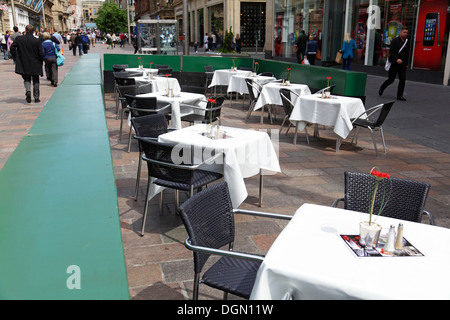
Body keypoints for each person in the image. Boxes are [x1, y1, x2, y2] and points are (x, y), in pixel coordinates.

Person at [10, 24, 44, 103]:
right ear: (33, 32)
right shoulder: (37, 40)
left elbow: (12, 48)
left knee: (26, 78)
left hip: (24, 62)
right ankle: (36, 97)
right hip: (36, 63)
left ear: (25, 30)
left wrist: (16, 56)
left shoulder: (19, 39)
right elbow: (41, 53)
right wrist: (42, 60)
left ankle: (28, 91)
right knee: (36, 80)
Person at [379, 26, 409, 101]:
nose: (405, 34)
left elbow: (407, 53)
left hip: (402, 64)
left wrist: (406, 63)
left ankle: (400, 95)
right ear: (400, 32)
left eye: (406, 33)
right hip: (394, 63)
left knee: (402, 79)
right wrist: (396, 59)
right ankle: (382, 87)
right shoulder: (395, 41)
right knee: (391, 79)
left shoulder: (407, 42)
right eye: (404, 32)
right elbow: (391, 52)